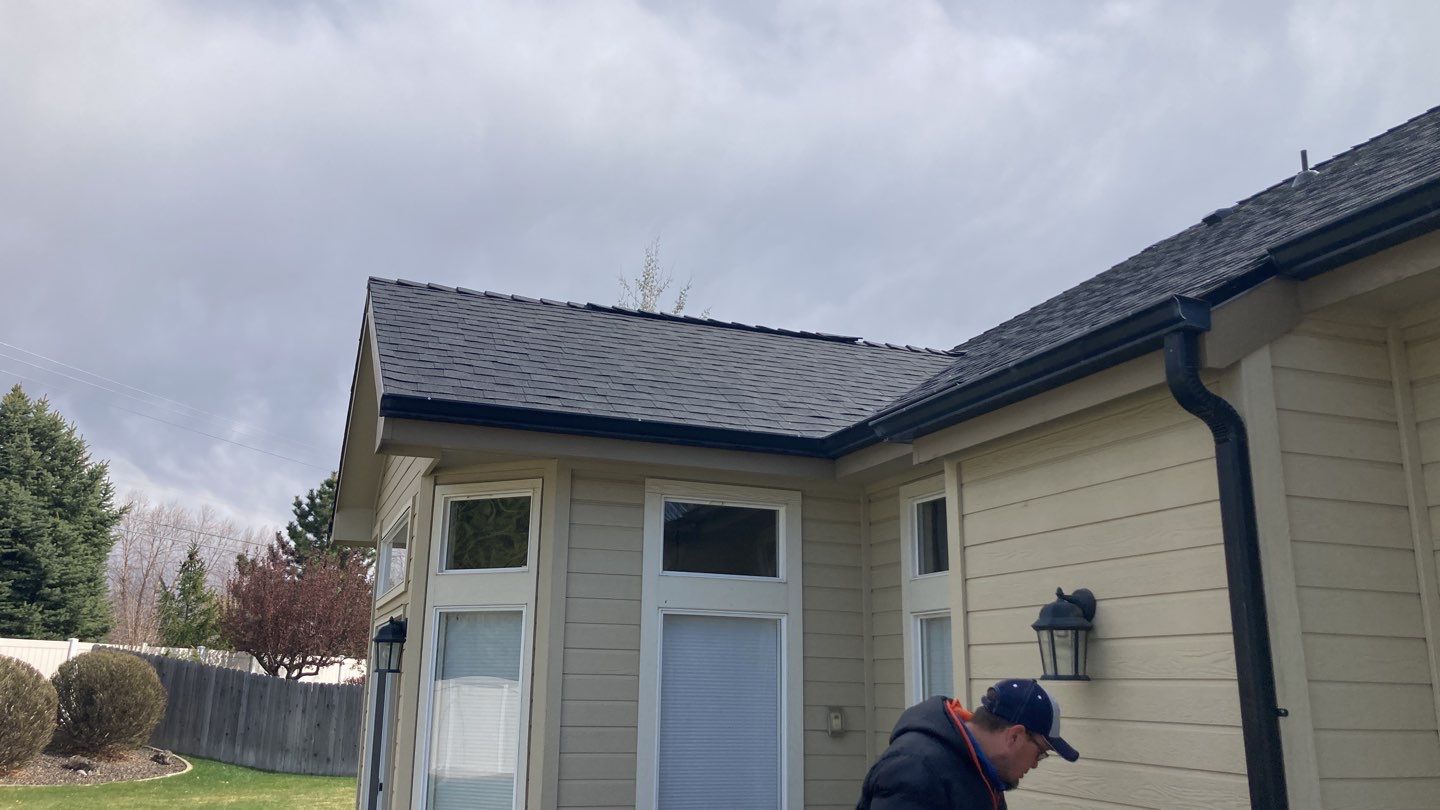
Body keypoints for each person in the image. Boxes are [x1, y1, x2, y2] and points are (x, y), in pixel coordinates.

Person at [856, 678, 1080, 810]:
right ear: (1015, 736)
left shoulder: (985, 772)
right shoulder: (914, 769)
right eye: (1040, 752)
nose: (1035, 765)